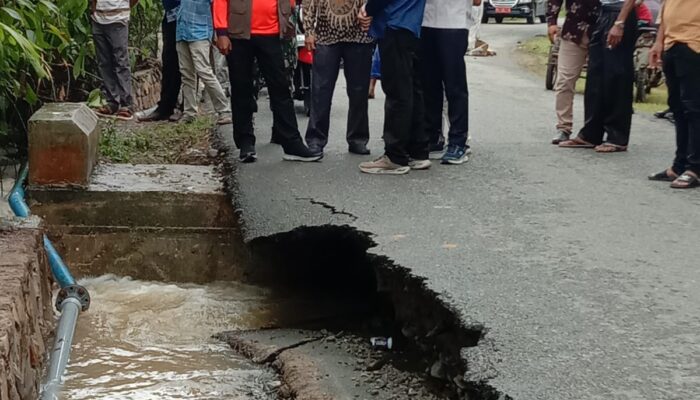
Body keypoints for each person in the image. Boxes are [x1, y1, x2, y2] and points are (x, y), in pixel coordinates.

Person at [213, 0, 322, 162]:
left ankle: (292, 143)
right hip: (239, 33)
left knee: (281, 89)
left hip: (273, 32)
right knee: (241, 89)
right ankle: (245, 142)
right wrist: (221, 32)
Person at [357, 0, 428, 175]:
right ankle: (417, 151)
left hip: (395, 22)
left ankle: (395, 156)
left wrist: (367, 8)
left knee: (398, 92)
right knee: (412, 90)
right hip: (412, 25)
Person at [559, 0, 638, 153]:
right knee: (596, 77)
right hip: (604, 12)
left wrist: (620, 22)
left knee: (616, 76)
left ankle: (617, 137)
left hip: (619, 12)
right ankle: (591, 134)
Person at [303, 0, 375, 156]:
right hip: (325, 34)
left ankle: (358, 139)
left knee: (359, 91)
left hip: (359, 35)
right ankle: (316, 139)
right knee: (320, 90)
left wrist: (373, 14)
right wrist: (308, 30)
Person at [648, 0, 700, 189]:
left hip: (694, 45)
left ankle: (695, 168)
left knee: (694, 109)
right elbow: (665, 11)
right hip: (671, 45)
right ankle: (679, 166)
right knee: (678, 109)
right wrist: (658, 42)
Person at [421, 0, 480, 165]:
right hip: (426, 20)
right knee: (429, 84)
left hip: (455, 22)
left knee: (454, 85)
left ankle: (458, 141)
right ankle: (433, 138)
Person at [547, 0, 600, 145]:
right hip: (573, 31)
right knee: (564, 81)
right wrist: (552, 21)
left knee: (599, 83)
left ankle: (594, 130)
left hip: (602, 30)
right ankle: (564, 127)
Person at [175, 0, 232, 124]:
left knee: (204, 71)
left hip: (199, 31)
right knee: (186, 74)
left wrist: (217, 32)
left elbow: (216, 6)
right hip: (182, 30)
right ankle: (189, 113)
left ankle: (224, 110)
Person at [91, 0, 138, 120]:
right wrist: (94, 9)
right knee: (104, 63)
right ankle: (112, 102)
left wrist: (123, 8)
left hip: (118, 19)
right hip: (98, 19)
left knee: (121, 61)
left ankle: (126, 104)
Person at [139, 0, 183, 122]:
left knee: (187, 62)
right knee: (169, 62)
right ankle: (166, 107)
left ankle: (186, 108)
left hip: (188, 14)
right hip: (170, 15)